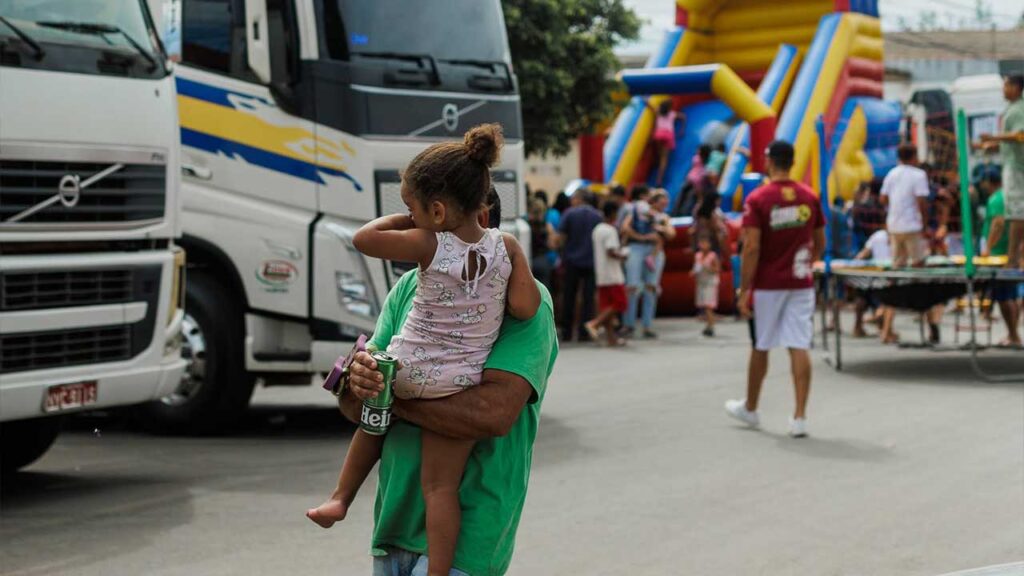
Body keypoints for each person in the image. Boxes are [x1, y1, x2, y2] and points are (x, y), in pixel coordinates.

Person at [306, 124, 542, 576]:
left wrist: (411, 224)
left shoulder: (428, 245)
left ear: (435, 210)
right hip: (458, 381)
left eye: (410, 208)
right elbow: (525, 306)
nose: (408, 217)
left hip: (410, 368)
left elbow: (363, 239)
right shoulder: (506, 247)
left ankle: (339, 498)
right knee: (440, 488)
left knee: (373, 424)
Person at [726, 140, 825, 438]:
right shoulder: (809, 196)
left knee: (761, 344)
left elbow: (752, 246)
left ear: (769, 161)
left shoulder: (758, 199)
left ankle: (752, 407)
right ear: (792, 162)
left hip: (768, 284)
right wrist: (809, 262)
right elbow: (820, 240)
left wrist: (744, 289)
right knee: (798, 344)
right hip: (800, 280)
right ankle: (799, 418)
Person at [980, 74, 1024, 269]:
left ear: (1016, 87)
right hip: (1012, 163)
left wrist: (994, 137)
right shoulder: (1012, 109)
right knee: (1015, 211)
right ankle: (1013, 257)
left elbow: (1020, 135)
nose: (1003, 90)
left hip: (1017, 167)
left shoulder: (1018, 110)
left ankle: (1012, 258)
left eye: (1006, 85)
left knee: (1016, 212)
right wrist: (994, 146)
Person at [621, 190, 676, 338]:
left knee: (651, 287)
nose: (663, 206)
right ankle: (629, 324)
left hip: (654, 251)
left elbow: (671, 233)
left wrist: (659, 228)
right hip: (637, 247)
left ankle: (647, 325)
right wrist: (641, 236)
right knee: (632, 286)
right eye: (661, 203)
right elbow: (625, 227)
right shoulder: (638, 211)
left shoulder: (662, 217)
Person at [979, 166, 1021, 346]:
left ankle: (1013, 335)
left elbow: (998, 223)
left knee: (1004, 297)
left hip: (999, 255)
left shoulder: (996, 199)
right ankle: (1013, 334)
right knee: (1010, 295)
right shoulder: (1011, 197)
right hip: (1009, 253)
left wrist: (988, 248)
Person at [557, 188, 603, 342]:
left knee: (569, 296)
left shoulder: (569, 214)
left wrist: (560, 251)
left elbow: (562, 237)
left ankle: (567, 331)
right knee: (588, 297)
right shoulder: (598, 215)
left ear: (579, 199)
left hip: (572, 261)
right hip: (591, 261)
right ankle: (584, 332)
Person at [585, 201, 629, 346]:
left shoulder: (597, 229)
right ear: (613, 214)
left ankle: (611, 338)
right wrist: (623, 255)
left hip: (601, 273)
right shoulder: (610, 230)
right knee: (620, 303)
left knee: (607, 306)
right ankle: (595, 323)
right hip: (613, 274)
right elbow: (611, 251)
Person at [881, 144, 931, 267]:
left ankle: (896, 286)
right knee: (918, 262)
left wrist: (896, 206)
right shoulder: (919, 174)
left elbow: (882, 198)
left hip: (894, 225)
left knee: (897, 264)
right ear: (914, 156)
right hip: (912, 225)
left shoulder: (891, 174)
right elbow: (922, 202)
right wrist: (925, 224)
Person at [854, 227, 898, 343]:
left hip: (873, 274)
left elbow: (862, 255)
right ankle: (885, 330)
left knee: (862, 297)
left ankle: (860, 326)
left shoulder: (878, 235)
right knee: (890, 301)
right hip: (887, 276)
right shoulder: (895, 236)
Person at [692, 232, 720, 337]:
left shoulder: (713, 256)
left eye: (705, 243)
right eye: (701, 243)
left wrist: (709, 268)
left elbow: (717, 269)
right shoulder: (697, 255)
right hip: (701, 282)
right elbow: (695, 268)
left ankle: (711, 326)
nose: (703, 245)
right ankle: (708, 325)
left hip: (710, 282)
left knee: (709, 306)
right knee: (704, 306)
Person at [649, 100, 681, 187]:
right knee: (664, 159)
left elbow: (650, 105)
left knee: (659, 153)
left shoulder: (658, 112)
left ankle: (657, 161)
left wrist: (644, 99)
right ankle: (659, 181)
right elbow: (683, 117)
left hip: (659, 134)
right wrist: (682, 129)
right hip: (668, 135)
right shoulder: (672, 114)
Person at [528, 198, 556, 290]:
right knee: (543, 290)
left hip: (527, 260)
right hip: (542, 260)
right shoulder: (547, 226)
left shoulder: (526, 225)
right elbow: (552, 245)